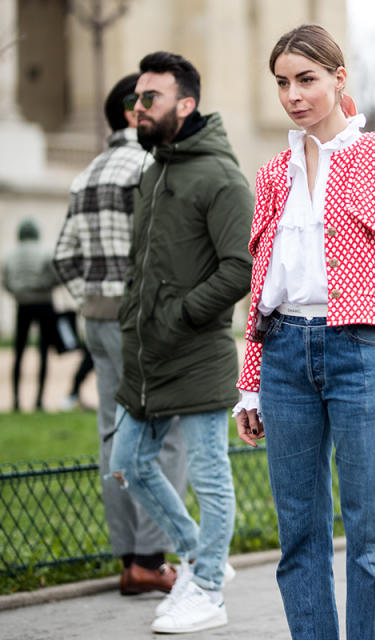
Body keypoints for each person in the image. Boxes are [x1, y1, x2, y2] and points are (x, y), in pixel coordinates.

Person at [234, 24, 375, 640]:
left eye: (306, 79)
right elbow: (263, 283)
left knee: (371, 532)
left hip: (364, 352)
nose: (293, 95)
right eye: (282, 83)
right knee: (298, 534)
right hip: (283, 356)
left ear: (338, 78)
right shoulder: (273, 172)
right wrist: (249, 384)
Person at [108, 52, 253, 634]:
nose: (137, 110)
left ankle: (209, 589)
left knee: (211, 477)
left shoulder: (219, 175)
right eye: (134, 101)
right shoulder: (154, 169)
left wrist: (184, 315)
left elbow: (242, 266)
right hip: (146, 358)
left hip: (196, 352)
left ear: (185, 105)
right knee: (128, 464)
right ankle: (201, 552)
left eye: (150, 99)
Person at [53, 73, 188, 596]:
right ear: (134, 112)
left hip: (98, 321)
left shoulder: (83, 175)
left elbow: (63, 256)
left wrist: (94, 295)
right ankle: (153, 558)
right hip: (142, 321)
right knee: (165, 437)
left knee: (114, 437)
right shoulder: (148, 167)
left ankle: (128, 559)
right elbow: (162, 249)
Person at [3, 218, 58, 411]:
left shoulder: (11, 255)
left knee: (19, 353)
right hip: (44, 303)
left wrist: (19, 292)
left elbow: (6, 281)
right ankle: (39, 400)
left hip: (23, 305)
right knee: (43, 353)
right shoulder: (44, 252)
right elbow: (55, 276)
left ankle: (16, 400)